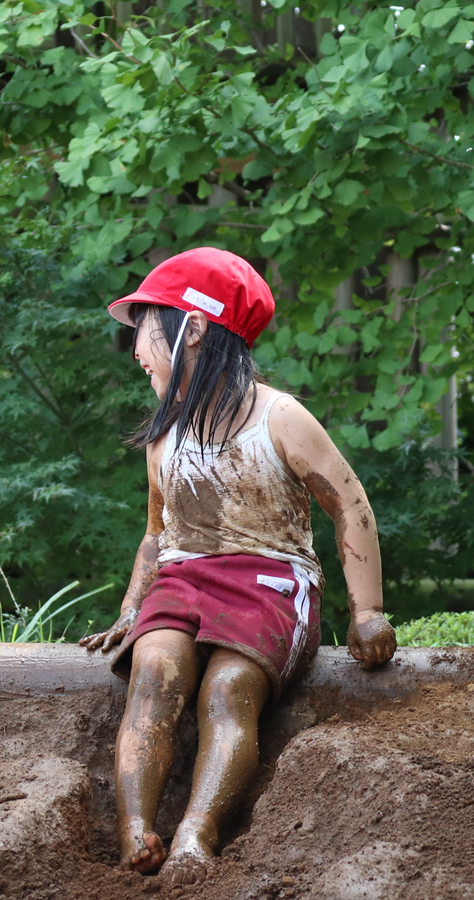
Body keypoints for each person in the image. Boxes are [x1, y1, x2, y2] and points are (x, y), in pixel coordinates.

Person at [80, 247, 397, 887]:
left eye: (145, 326)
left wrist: (369, 611)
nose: (136, 347)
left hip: (271, 581)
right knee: (153, 670)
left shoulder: (279, 418)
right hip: (182, 578)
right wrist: (130, 608)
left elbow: (350, 505)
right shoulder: (165, 434)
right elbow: (155, 534)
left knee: (228, 689)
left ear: (192, 327)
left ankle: (198, 831)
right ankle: (135, 828)